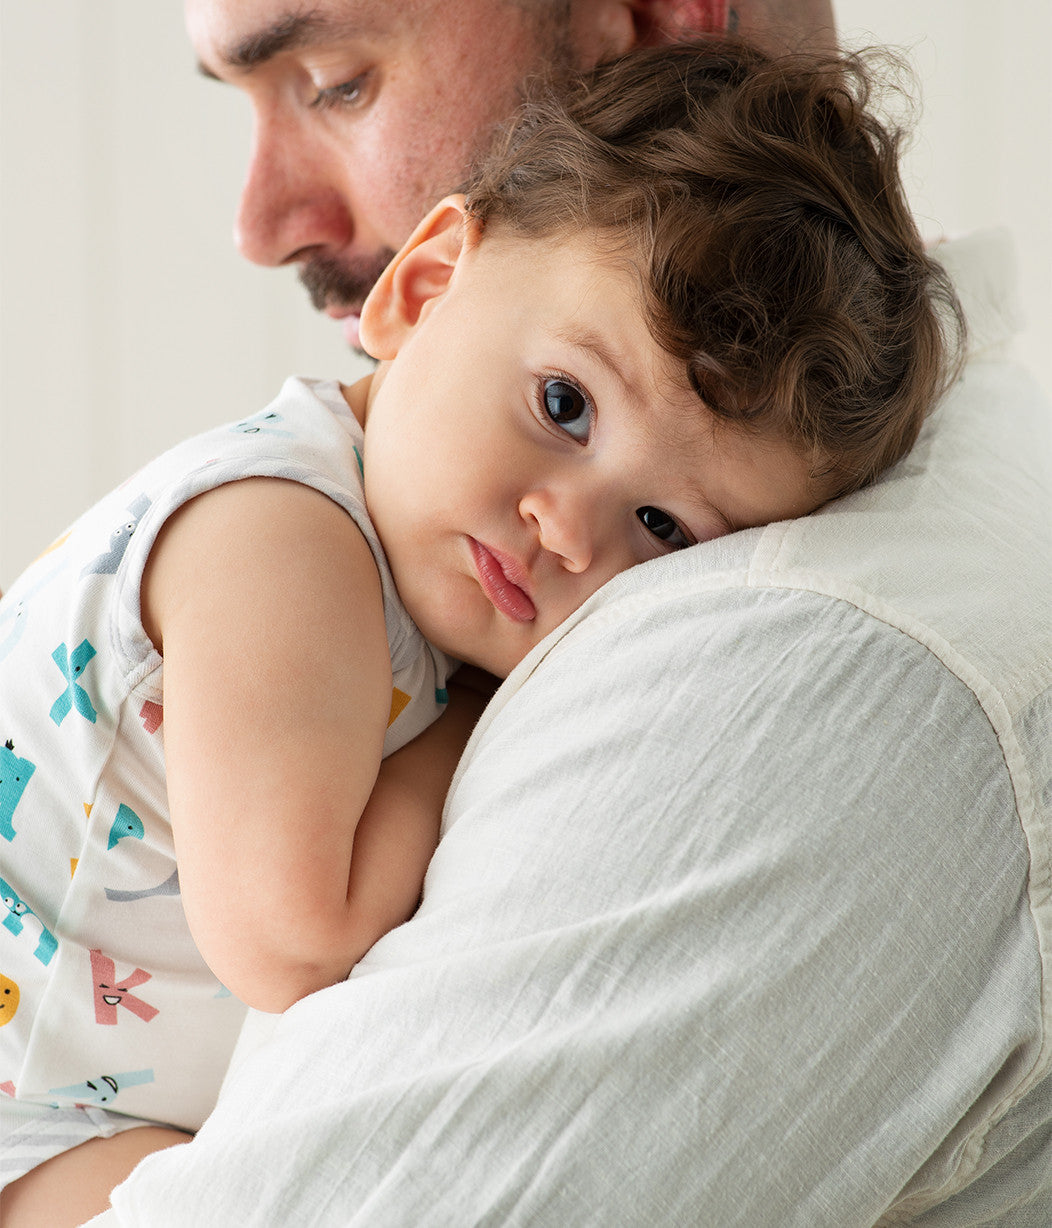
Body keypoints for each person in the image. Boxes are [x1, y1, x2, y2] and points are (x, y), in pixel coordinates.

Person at [1, 37, 964, 1227]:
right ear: (422, 288)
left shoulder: (431, 559)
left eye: (661, 525)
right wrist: (475, 719)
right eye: (564, 403)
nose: (567, 529)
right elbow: (294, 940)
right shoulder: (279, 541)